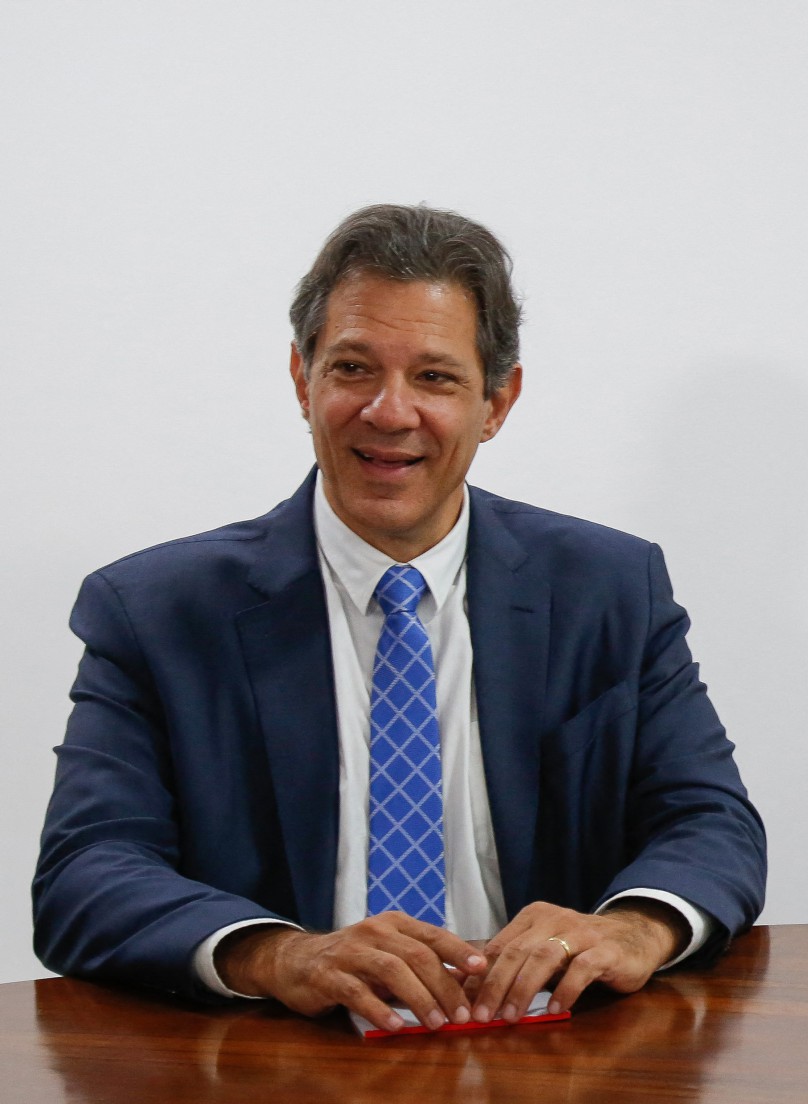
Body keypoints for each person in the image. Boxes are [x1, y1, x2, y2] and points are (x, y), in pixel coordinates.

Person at [35, 204, 766, 1032]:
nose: (389, 412)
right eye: (353, 367)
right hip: (280, 1064)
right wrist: (279, 954)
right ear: (302, 379)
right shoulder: (157, 612)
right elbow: (85, 874)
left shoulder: (609, 589)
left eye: (435, 378)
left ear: (497, 401)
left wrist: (635, 926)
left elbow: (710, 821)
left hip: (548, 1061)